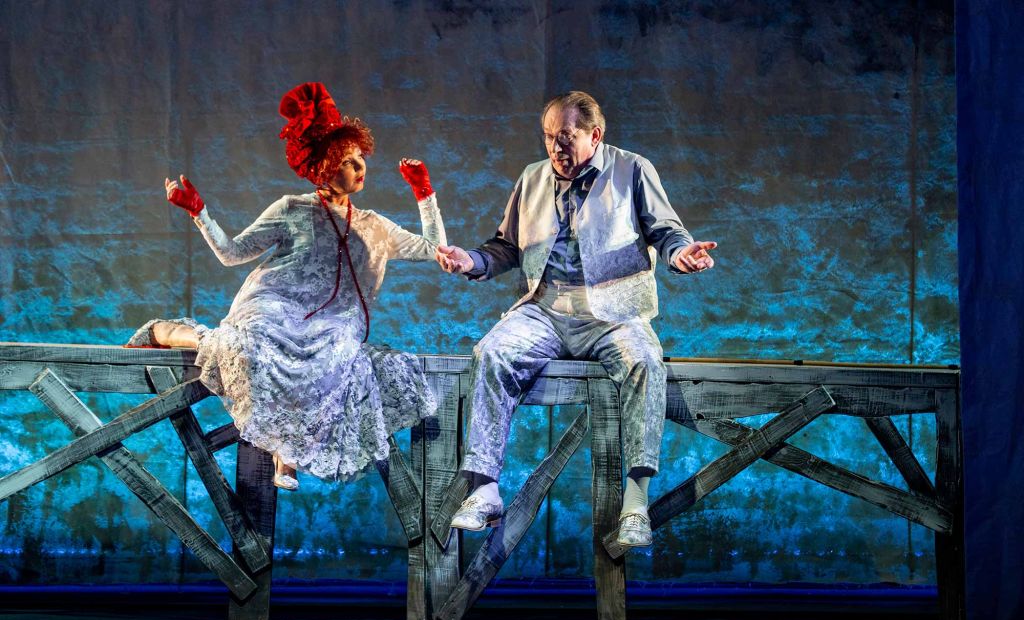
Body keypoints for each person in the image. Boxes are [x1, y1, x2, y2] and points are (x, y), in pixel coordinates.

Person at [128, 82, 445, 490]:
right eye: (347, 161)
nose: (359, 167)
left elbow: (436, 250)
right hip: (275, 305)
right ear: (323, 167)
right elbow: (232, 253)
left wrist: (423, 191)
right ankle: (167, 333)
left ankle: (287, 454)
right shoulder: (292, 209)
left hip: (333, 323)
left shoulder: (374, 226)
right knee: (251, 347)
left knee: (334, 356)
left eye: (360, 158)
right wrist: (199, 212)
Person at [435, 91, 717, 547]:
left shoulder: (632, 169)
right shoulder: (532, 178)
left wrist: (683, 254)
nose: (555, 148)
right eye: (549, 137)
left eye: (565, 137)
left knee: (645, 361)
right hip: (546, 308)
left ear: (594, 135)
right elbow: (506, 246)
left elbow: (666, 232)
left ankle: (635, 502)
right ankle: (485, 489)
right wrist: (471, 261)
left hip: (613, 310)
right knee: (491, 352)